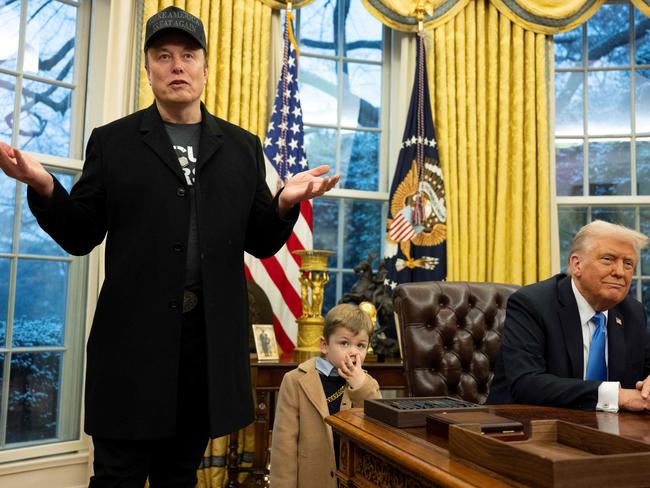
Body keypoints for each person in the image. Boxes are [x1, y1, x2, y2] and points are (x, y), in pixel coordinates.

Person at [0, 6, 339, 488]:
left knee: (180, 476)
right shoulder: (113, 143)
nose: (176, 66)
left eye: (187, 55)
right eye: (164, 56)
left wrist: (285, 202)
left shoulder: (242, 148)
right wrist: (44, 185)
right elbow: (80, 235)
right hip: (131, 353)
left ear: (205, 67)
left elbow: (262, 242)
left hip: (205, 353)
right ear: (149, 69)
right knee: (117, 476)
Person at [488, 220, 650, 412]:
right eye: (608, 259)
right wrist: (616, 396)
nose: (620, 272)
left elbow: (645, 368)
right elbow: (526, 383)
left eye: (628, 263)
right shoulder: (532, 304)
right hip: (522, 427)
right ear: (576, 265)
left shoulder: (633, 313)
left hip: (610, 430)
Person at [270, 303, 381, 488]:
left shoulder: (368, 384)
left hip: (353, 478)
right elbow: (284, 447)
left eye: (360, 345)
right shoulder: (295, 380)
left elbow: (379, 428)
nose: (353, 351)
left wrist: (360, 385)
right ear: (324, 345)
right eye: (344, 343)